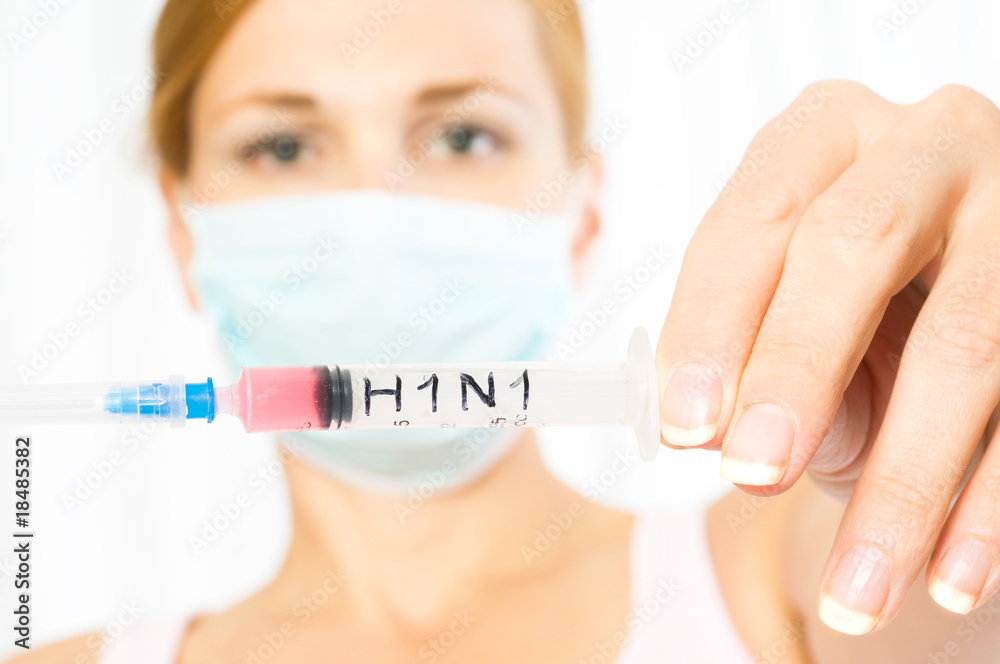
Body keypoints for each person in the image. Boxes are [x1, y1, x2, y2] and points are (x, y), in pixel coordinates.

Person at [10, 0, 1000, 662]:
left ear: (581, 211)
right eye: (281, 145)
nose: (375, 212)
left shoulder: (777, 576)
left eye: (461, 136)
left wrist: (961, 412)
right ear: (182, 229)